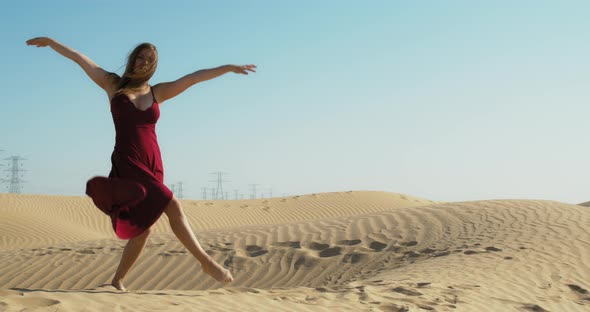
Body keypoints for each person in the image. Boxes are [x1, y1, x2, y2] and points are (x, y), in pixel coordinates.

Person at [26, 37, 256, 291]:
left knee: (143, 230)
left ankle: (117, 280)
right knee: (172, 203)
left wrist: (227, 68)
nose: (143, 63)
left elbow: (192, 78)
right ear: (133, 58)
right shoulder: (113, 84)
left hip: (152, 161)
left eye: (149, 61)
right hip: (127, 160)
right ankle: (206, 261)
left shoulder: (157, 92)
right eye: (141, 57)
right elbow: (81, 60)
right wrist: (51, 42)